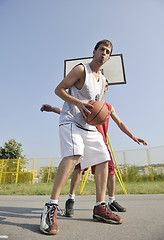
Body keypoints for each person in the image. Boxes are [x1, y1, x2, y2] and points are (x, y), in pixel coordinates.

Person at [40, 39, 124, 235]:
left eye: (108, 52)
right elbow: (58, 89)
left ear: (109, 57)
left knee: (104, 157)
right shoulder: (81, 70)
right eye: (102, 49)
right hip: (70, 121)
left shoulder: (102, 80)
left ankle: (100, 207)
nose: (104, 53)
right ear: (94, 51)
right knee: (75, 153)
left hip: (88, 126)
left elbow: (96, 108)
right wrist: (77, 103)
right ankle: (50, 206)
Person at [41, 80, 147, 218]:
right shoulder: (88, 103)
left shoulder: (108, 107)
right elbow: (68, 111)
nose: (104, 87)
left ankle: (109, 201)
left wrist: (133, 136)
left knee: (109, 170)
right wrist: (52, 109)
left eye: (106, 85)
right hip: (82, 137)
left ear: (106, 88)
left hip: (100, 142)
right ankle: (71, 198)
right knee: (78, 169)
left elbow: (120, 122)